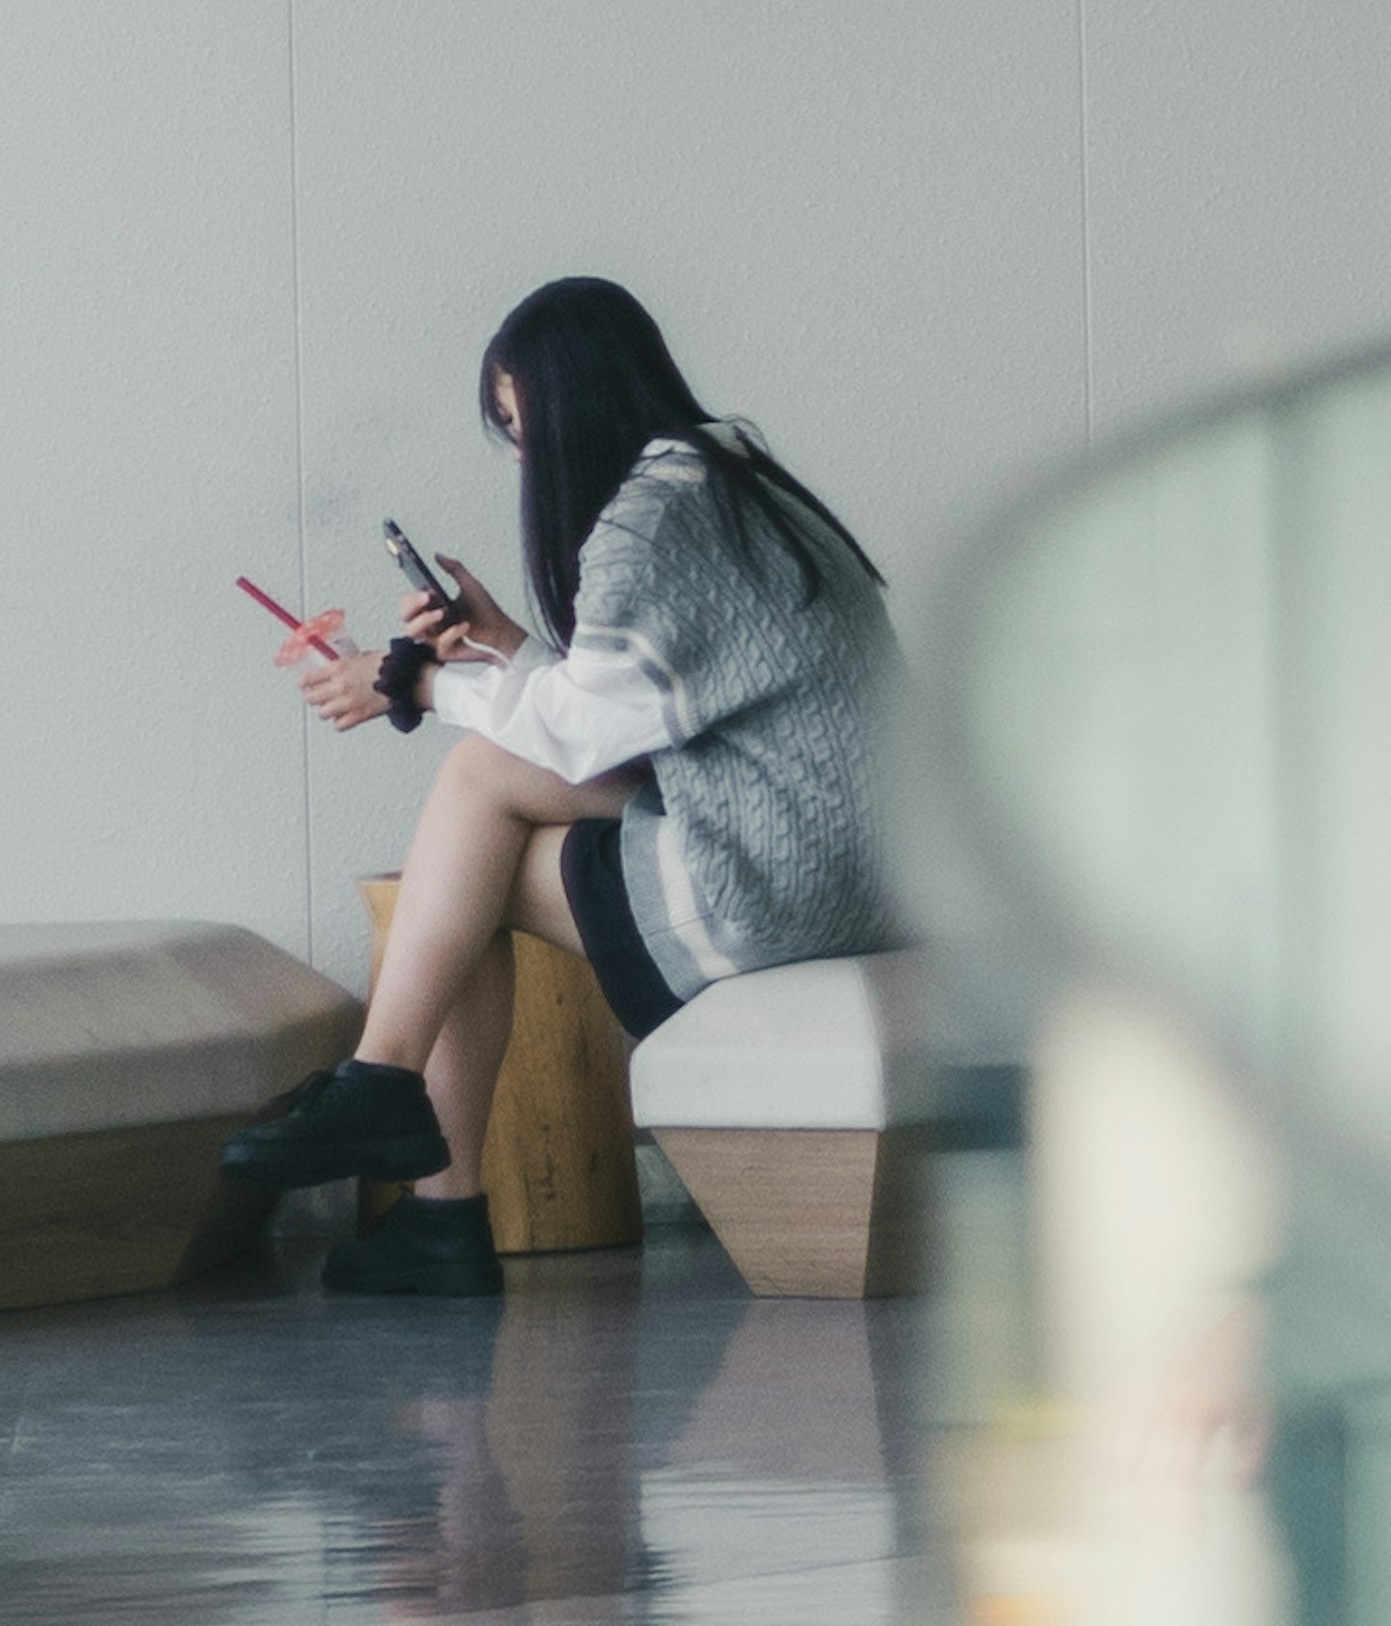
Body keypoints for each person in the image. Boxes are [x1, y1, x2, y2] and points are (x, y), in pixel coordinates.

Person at [223, 278, 896, 1300]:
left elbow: (584, 739)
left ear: (570, 399)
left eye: (516, 424)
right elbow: (623, 721)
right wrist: (503, 650)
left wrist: (411, 680)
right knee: (473, 839)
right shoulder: (729, 475)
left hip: (778, 884)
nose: (522, 455)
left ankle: (405, 1133)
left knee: (468, 856)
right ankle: (413, 1159)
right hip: (853, 860)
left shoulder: (655, 522)